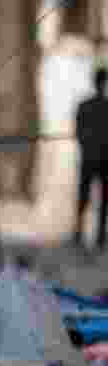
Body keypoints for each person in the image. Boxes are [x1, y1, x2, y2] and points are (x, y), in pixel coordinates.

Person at [74, 67, 108, 250]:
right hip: (97, 158)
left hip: (92, 157)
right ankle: (91, 234)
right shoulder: (89, 106)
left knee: (89, 198)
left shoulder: (85, 106)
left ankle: (88, 233)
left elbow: (79, 132)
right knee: (91, 199)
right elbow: (79, 132)